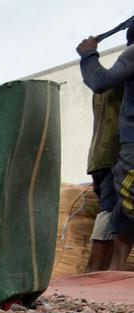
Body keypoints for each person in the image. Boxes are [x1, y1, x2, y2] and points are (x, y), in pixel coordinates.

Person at [80, 26, 134, 270]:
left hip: (109, 156)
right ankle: (103, 274)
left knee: (118, 212)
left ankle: (104, 274)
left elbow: (98, 81)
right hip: (109, 157)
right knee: (116, 212)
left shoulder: (120, 70)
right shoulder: (119, 75)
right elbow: (100, 81)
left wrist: (89, 55)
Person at [84, 83, 123, 272]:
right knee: (110, 211)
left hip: (99, 157)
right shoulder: (119, 83)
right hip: (114, 157)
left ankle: (99, 272)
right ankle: (94, 272)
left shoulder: (102, 84)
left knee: (110, 211)